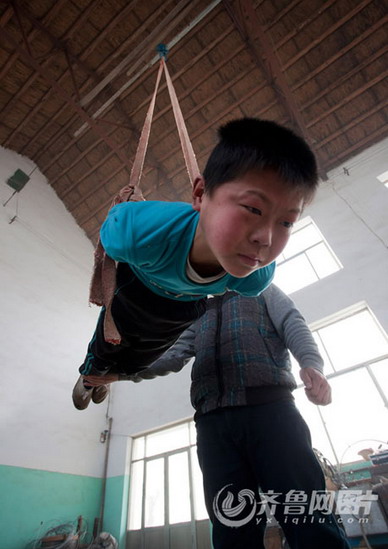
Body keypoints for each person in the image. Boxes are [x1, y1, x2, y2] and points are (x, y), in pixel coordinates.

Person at [72, 117, 319, 410]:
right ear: (200, 194)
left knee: (144, 358)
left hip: (183, 308)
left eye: (287, 222)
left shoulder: (254, 276)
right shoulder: (137, 233)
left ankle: (108, 379)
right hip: (136, 289)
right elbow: (114, 232)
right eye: (253, 208)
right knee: (107, 344)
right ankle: (90, 378)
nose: (265, 238)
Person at [91, 286, 350, 549]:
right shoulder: (198, 308)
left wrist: (311, 364)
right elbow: (172, 355)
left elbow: (291, 321)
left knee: (305, 513)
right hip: (213, 425)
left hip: (270, 410)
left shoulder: (261, 289)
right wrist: (121, 373)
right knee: (232, 525)